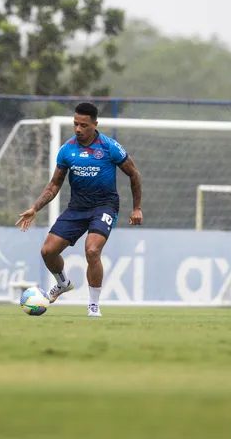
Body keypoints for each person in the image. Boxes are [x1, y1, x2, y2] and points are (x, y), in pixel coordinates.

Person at [16, 102, 143, 318]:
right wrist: (35, 207)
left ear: (94, 124)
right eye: (75, 124)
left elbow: (134, 174)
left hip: (104, 206)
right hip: (77, 208)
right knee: (48, 251)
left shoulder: (109, 147)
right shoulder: (67, 150)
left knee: (92, 250)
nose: (78, 129)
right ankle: (62, 283)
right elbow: (54, 184)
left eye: (83, 125)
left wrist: (137, 208)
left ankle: (93, 305)